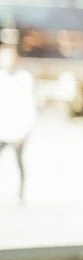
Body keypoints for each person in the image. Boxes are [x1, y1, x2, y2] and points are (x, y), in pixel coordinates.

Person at [0, 34, 36, 204]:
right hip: (3, 127)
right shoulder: (2, 77)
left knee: (19, 162)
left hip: (18, 128)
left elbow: (28, 106)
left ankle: (21, 194)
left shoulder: (23, 79)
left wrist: (25, 131)